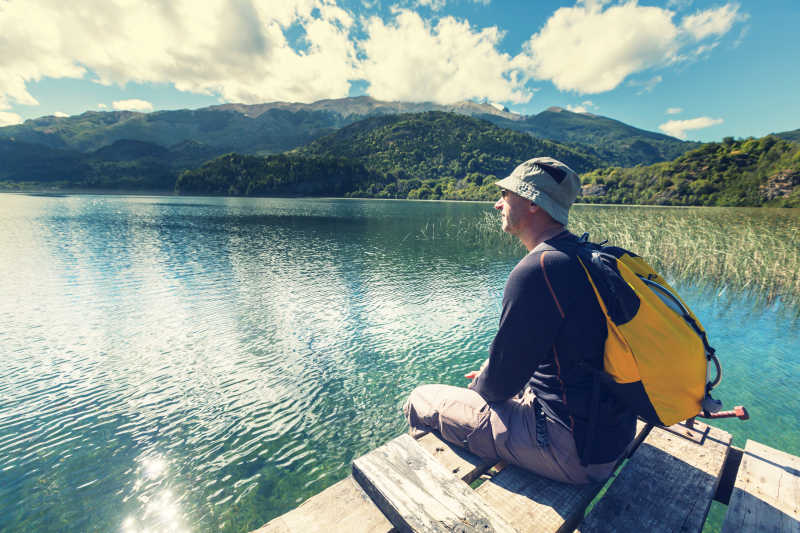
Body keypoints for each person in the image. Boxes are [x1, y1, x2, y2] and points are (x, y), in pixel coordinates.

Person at [403, 156, 636, 484]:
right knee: (490, 396)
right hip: (610, 436)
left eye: (506, 195)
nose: (498, 204)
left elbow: (497, 385)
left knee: (421, 399)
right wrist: (497, 376)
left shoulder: (538, 269)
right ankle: (503, 464)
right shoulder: (586, 258)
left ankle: (431, 501)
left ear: (531, 204)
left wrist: (484, 382)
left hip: (570, 450)